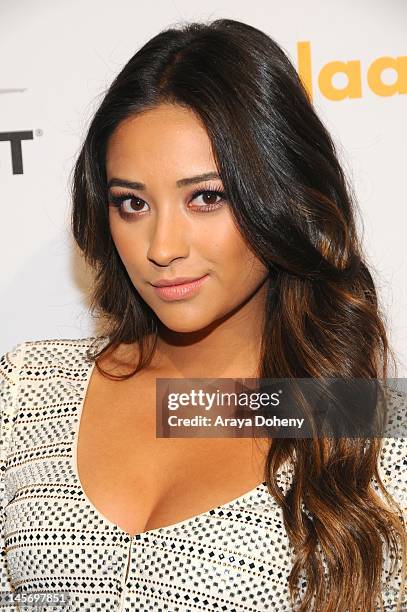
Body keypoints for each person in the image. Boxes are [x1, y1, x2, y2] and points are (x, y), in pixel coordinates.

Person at [0, 17, 406, 612]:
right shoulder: (24, 391)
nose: (163, 247)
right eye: (132, 203)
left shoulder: (371, 431)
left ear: (282, 196)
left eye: (206, 197)